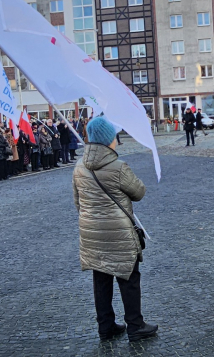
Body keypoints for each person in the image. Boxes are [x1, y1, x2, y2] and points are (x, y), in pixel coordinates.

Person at [72, 116, 158, 342]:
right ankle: (135, 326)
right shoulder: (118, 167)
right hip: (118, 233)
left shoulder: (79, 167)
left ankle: (106, 327)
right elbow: (139, 192)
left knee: (101, 279)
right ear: (109, 140)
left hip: (91, 233)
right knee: (128, 278)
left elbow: (77, 202)